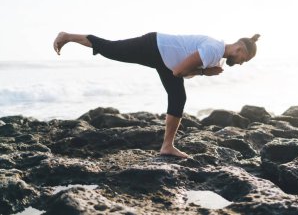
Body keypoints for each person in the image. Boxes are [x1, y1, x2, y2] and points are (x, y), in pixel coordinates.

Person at [53, 31, 260, 158]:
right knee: (111, 48)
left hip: (164, 59)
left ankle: (167, 146)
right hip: (153, 46)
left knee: (179, 98)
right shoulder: (214, 50)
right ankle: (67, 36)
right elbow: (179, 71)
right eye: (244, 59)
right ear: (240, 48)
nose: (241, 63)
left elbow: (182, 73)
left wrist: (204, 72)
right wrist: (205, 72)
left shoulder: (217, 57)